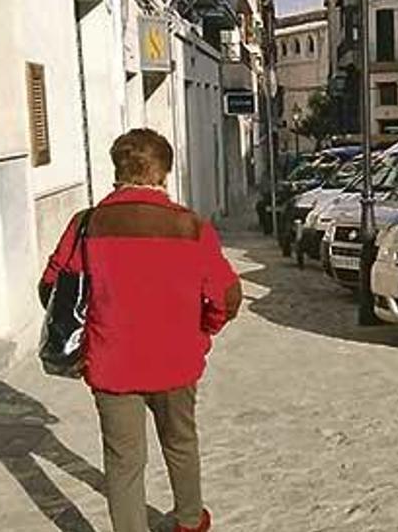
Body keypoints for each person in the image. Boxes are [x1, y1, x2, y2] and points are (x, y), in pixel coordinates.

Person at [40, 128, 242, 532]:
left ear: (117, 170)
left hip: (111, 362)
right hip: (176, 361)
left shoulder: (87, 224)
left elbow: (52, 287)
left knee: (123, 460)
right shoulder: (191, 226)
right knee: (181, 442)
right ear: (164, 173)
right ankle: (189, 521)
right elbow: (227, 296)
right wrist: (203, 331)